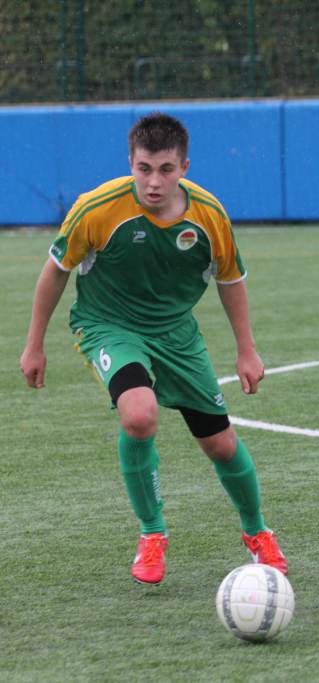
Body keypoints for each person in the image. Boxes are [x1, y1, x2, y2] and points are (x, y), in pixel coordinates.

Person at [19, 112, 287, 585]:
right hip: (108, 326)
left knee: (220, 444)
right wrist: (34, 344)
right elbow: (57, 269)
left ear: (184, 166)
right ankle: (152, 533)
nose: (154, 181)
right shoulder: (96, 208)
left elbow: (231, 279)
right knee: (139, 414)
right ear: (131, 163)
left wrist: (247, 350)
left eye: (165, 169)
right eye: (144, 168)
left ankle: (257, 532)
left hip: (176, 335)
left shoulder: (209, 215)